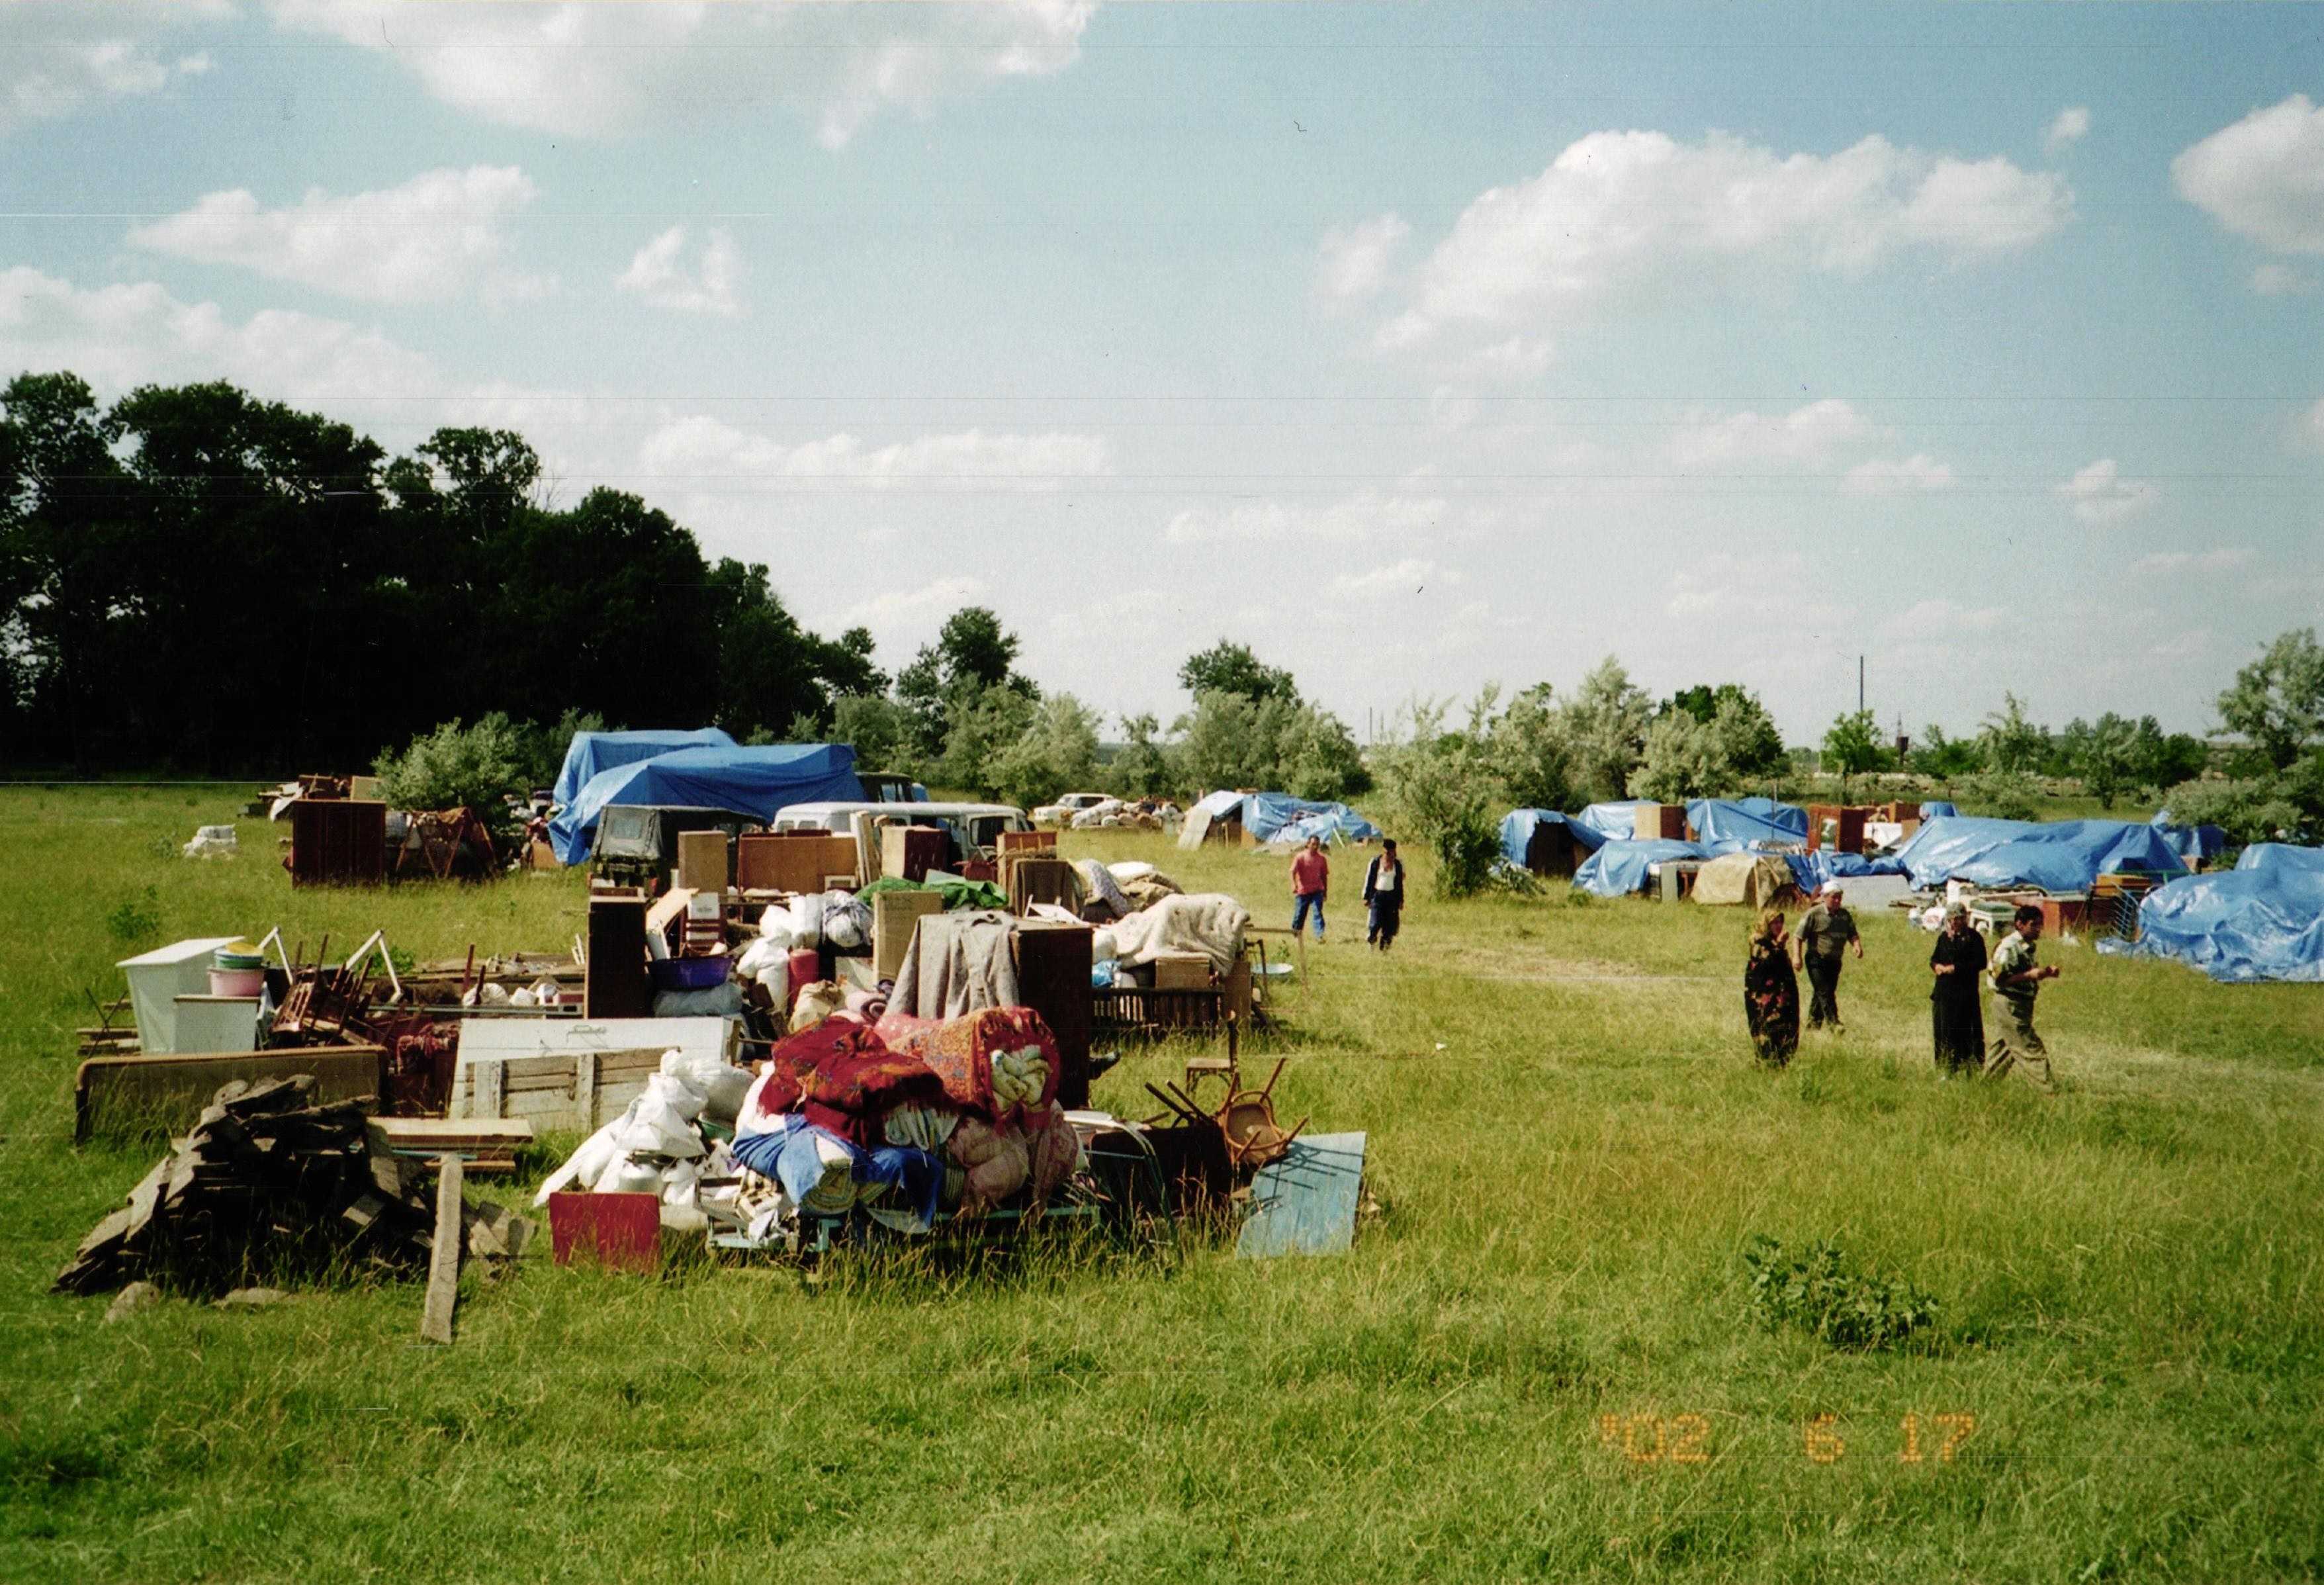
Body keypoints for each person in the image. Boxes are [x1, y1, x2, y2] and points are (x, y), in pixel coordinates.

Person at [1986, 903, 2060, 1087]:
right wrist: (2030, 975)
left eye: (2040, 925)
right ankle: (2048, 1090)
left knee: (2005, 1048)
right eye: (2033, 925)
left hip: (2022, 1004)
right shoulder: (2008, 947)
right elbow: (2000, 980)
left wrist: (2045, 973)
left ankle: (1987, 1086)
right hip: (2009, 1004)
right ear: (2020, 924)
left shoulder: (2026, 946)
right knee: (2030, 1048)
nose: (2038, 929)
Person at [1793, 880, 1863, 1033]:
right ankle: (1834, 1022)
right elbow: (1798, 936)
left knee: (1822, 992)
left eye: (1840, 897)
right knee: (1825, 992)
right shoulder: (1814, 914)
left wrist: (1857, 946)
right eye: (1834, 897)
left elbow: (1852, 934)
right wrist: (1796, 957)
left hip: (1835, 961)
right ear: (1824, 897)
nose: (1837, 901)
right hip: (1816, 960)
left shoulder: (1844, 916)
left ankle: (1813, 1026)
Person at [1928, 901, 1987, 1076]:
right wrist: (1937, 966)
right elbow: (1934, 958)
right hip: (1944, 994)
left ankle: (1969, 1066)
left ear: (1966, 918)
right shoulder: (1944, 938)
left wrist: (1956, 968)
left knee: (1966, 1033)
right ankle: (1946, 1067)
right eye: (1953, 919)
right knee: (1943, 1031)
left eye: (1960, 918)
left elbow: (1981, 963)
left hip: (1965, 994)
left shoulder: (1974, 938)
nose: (1956, 922)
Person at [1744, 907, 1800, 1067]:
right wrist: (1780, 945)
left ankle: (1782, 1062)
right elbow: (1766, 962)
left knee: (1787, 1030)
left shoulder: (1775, 943)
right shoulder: (1758, 942)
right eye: (1774, 923)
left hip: (1782, 997)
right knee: (1767, 1030)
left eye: (1780, 922)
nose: (1778, 926)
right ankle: (1766, 1062)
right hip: (1764, 1000)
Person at [1362, 838, 1406, 950]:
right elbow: (1369, 879)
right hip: (1377, 895)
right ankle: (1371, 943)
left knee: (1389, 925)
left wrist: (1401, 900)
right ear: (1383, 851)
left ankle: (1384, 949)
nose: (1389, 855)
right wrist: (1366, 896)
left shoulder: (1398, 864)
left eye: (1391, 852)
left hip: (1392, 897)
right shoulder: (1375, 862)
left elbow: (1400, 883)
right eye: (1387, 852)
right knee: (1375, 922)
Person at [1290, 835, 1329, 942]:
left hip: (1317, 890)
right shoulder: (1300, 857)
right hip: (1303, 891)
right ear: (1308, 844)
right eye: (1313, 844)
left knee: (1317, 913)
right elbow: (1292, 871)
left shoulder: (1322, 859)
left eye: (1317, 845)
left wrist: (1325, 891)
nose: (1315, 847)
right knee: (1300, 914)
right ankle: (1296, 932)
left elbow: (1324, 876)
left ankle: (1319, 935)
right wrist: (1294, 884)